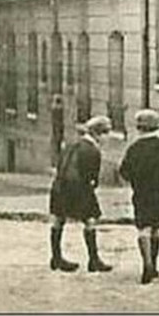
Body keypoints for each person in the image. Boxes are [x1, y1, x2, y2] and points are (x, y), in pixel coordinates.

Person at [118, 109, 159, 284]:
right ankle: (155, 265)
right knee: (155, 229)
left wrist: (136, 181)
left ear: (139, 128)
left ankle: (147, 265)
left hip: (142, 194)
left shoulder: (134, 149)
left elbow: (124, 172)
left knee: (144, 228)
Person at [47, 114, 113, 273]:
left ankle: (56, 258)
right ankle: (93, 259)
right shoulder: (92, 150)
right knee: (90, 221)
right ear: (98, 133)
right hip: (79, 189)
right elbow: (92, 177)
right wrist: (91, 187)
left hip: (58, 186)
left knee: (58, 220)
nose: (107, 138)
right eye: (106, 133)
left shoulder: (71, 144)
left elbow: (59, 164)